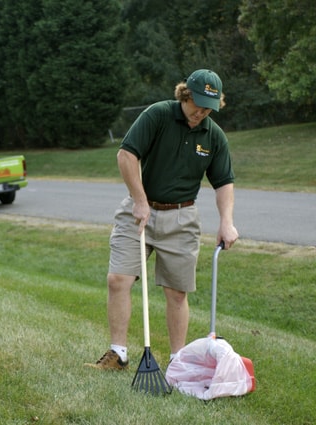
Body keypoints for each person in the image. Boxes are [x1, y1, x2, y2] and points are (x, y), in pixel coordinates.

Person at [85, 69, 239, 370]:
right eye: (198, 104)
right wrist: (140, 201)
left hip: (182, 218)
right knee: (118, 279)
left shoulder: (213, 136)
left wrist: (227, 221)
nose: (202, 112)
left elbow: (224, 183)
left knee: (177, 293)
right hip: (139, 212)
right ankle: (118, 354)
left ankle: (177, 362)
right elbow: (126, 155)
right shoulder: (158, 115)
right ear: (186, 94)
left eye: (209, 107)